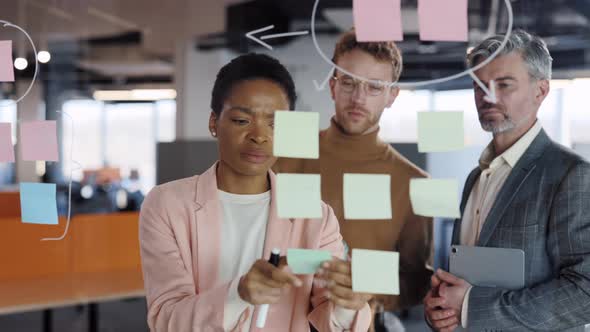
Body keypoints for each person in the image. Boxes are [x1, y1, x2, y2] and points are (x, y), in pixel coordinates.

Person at [139, 53, 372, 331]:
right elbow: (166, 319)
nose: (259, 135)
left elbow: (328, 318)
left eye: (275, 123)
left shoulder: (315, 215)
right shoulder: (167, 205)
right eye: (241, 120)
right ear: (214, 123)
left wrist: (348, 302)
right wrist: (239, 294)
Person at [424, 30, 590, 331]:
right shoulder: (476, 178)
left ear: (540, 91)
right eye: (479, 85)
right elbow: (466, 283)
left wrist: (471, 307)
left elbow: (585, 292)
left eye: (503, 85)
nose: (487, 97)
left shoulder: (570, 175)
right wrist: (442, 307)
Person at [274, 28, 433, 331]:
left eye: (374, 87)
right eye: (348, 82)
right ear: (333, 87)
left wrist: (363, 288)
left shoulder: (414, 182)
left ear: (392, 95)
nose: (358, 98)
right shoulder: (283, 159)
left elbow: (415, 280)